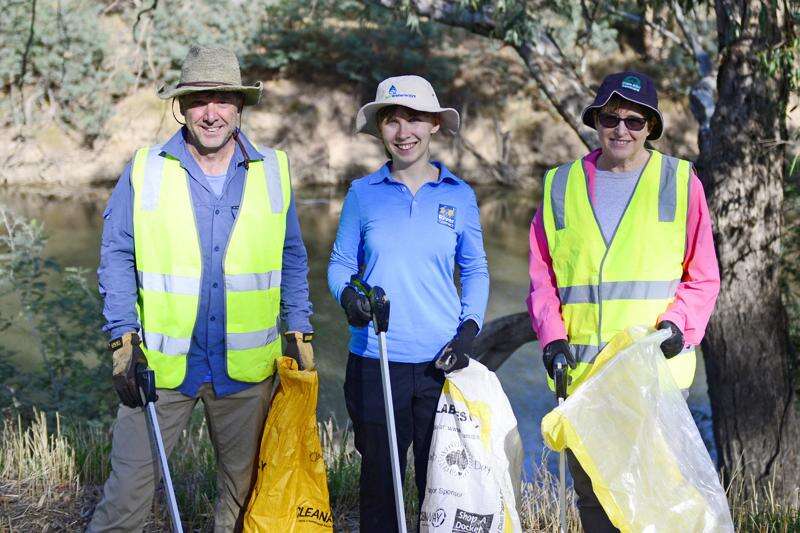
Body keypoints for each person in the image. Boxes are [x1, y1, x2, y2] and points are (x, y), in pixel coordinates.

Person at [88, 45, 314, 532]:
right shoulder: (145, 169)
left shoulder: (273, 171)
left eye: (222, 100)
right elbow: (116, 254)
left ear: (240, 106)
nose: (211, 114)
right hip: (161, 370)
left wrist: (299, 328)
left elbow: (291, 256)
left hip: (246, 373)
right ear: (181, 107)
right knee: (124, 499)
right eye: (198, 100)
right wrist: (124, 340)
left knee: (242, 501)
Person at [526, 71, 720, 532]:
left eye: (634, 121)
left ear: (650, 127)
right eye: (611, 118)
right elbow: (542, 278)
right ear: (596, 120)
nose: (622, 130)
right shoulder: (559, 185)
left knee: (654, 506)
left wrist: (678, 325)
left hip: (653, 380)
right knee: (594, 503)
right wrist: (551, 337)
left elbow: (703, 276)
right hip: (583, 378)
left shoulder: (679, 181)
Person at [327, 75, 489, 532]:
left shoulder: (459, 195)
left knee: (441, 487)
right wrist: (349, 298)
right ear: (381, 129)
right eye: (392, 121)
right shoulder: (362, 194)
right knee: (381, 486)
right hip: (375, 362)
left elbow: (475, 271)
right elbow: (340, 264)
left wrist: (468, 331)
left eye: (414, 119)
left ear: (435, 124)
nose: (404, 131)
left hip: (441, 365)